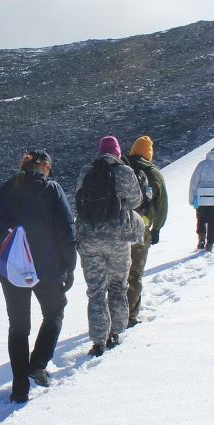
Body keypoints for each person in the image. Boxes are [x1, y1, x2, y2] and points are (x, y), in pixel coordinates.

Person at [0, 150, 77, 403]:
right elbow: (66, 232)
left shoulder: (5, 189)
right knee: (54, 312)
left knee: (18, 327)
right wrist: (69, 266)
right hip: (46, 269)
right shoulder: (52, 190)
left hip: (12, 271)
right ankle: (38, 364)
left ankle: (19, 389)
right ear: (46, 167)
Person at [75, 136, 144, 356]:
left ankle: (98, 341)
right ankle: (115, 332)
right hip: (118, 240)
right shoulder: (125, 172)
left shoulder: (86, 172)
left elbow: (79, 199)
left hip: (89, 239)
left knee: (95, 292)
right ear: (117, 153)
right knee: (117, 287)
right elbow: (137, 201)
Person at [125, 135, 168, 327]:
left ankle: (113, 313)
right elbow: (162, 205)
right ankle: (130, 316)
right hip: (141, 229)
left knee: (118, 275)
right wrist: (157, 228)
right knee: (135, 274)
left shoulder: (121, 168)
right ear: (149, 154)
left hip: (117, 229)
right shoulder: (153, 174)